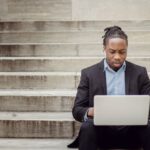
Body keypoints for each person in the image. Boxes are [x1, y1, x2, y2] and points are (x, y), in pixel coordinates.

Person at [68, 26, 150, 150]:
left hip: (131, 132)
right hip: (101, 132)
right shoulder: (89, 74)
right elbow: (77, 110)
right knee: (87, 126)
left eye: (122, 52)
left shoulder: (140, 73)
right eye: (112, 52)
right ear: (104, 49)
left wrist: (141, 111)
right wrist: (92, 111)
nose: (117, 57)